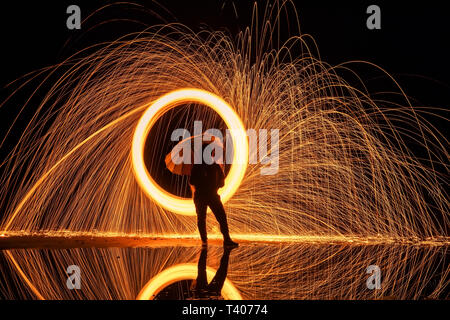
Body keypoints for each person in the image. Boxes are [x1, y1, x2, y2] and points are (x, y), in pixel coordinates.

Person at [189, 143, 238, 248]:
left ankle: (204, 241)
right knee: (221, 217)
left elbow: (192, 181)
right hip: (211, 195)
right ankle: (227, 239)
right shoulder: (215, 166)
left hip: (201, 196)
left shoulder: (197, 166)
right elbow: (222, 184)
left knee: (201, 218)